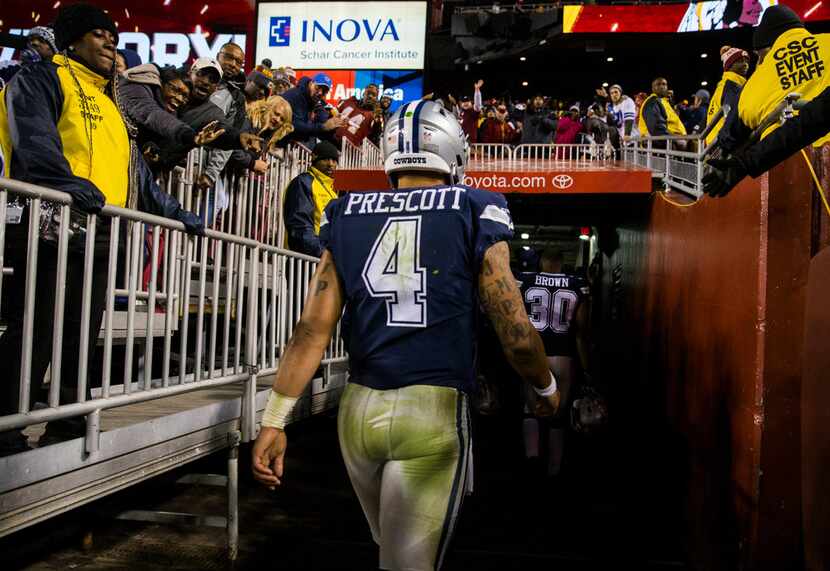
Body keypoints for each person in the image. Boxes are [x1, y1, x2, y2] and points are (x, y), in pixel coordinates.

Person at [252, 99, 559, 571]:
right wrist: (545, 386)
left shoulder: (347, 209)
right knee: (408, 563)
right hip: (432, 411)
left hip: (358, 412)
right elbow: (515, 329)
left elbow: (312, 328)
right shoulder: (475, 205)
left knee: (389, 550)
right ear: (453, 149)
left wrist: (274, 419)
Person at [0, 3, 203, 456]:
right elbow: (32, 139)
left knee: (81, 330)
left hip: (99, 231)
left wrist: (176, 211)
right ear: (71, 40)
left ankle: (68, 421)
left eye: (112, 34)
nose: (110, 41)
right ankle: (6, 426)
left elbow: (136, 175)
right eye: (97, 34)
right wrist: (67, 183)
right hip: (47, 223)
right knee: (32, 327)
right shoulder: (39, 78)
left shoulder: (113, 101)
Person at [517, 248, 591, 478]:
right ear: (562, 263)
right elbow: (581, 332)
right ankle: (554, 471)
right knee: (557, 416)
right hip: (562, 356)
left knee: (530, 409)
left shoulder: (526, 280)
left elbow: (514, 321)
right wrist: (587, 369)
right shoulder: (577, 283)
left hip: (533, 353)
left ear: (541, 263)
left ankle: (532, 461)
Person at [717, 5, 830, 154]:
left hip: (792, 161)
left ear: (767, 48)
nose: (757, 62)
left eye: (758, 56)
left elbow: (729, 136)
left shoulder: (757, 79)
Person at [704, 84, 830, 197]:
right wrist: (744, 163)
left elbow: (807, 122)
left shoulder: (751, 85)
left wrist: (744, 161)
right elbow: (808, 121)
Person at [282, 140, 339, 257]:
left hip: (324, 259)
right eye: (325, 159)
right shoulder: (303, 182)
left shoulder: (332, 191)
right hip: (306, 259)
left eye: (334, 160)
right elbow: (300, 226)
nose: (330, 164)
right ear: (314, 159)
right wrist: (322, 252)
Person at [705, 46, 750, 145]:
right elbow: (733, 119)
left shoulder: (725, 84)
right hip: (720, 145)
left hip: (714, 141)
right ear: (729, 65)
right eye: (740, 61)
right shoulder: (732, 86)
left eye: (746, 61)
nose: (745, 64)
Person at [281, 75, 344, 146]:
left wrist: (333, 125)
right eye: (318, 87)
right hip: (278, 142)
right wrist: (323, 127)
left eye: (324, 91)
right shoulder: (297, 95)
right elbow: (294, 125)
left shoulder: (312, 100)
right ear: (311, 83)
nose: (320, 92)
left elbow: (319, 128)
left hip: (287, 144)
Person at [449, 80, 483, 144]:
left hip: (471, 144)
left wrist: (477, 90)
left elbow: (478, 105)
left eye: (467, 101)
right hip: (461, 143)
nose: (465, 103)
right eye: (464, 101)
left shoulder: (473, 112)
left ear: (471, 102)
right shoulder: (462, 113)